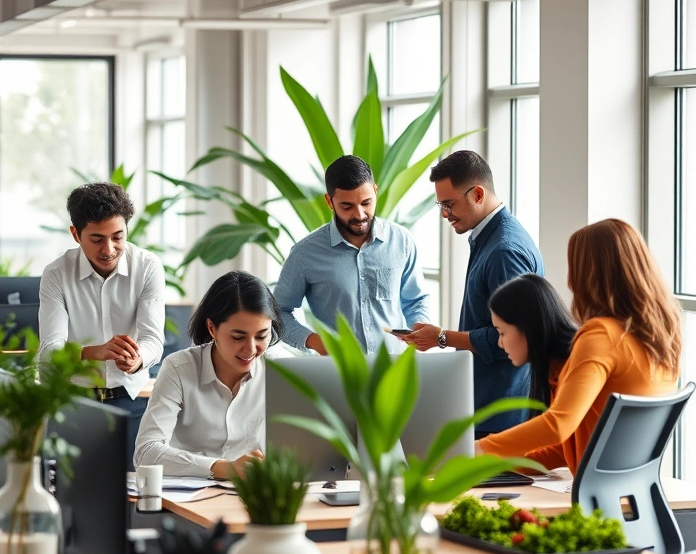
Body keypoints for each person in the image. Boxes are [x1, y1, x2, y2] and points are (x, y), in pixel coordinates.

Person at [477, 219, 682, 474]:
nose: (571, 280)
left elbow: (558, 425)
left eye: (574, 267)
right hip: (628, 497)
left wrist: (480, 449)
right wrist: (489, 465)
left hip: (595, 503)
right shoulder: (658, 341)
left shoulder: (601, 335)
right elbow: (564, 449)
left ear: (590, 273)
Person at [399, 150, 543, 437]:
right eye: (440, 204)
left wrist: (441, 337)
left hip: (500, 412)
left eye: (449, 204)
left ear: (478, 194)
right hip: (489, 404)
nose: (443, 213)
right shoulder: (489, 240)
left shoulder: (504, 251)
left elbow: (512, 338)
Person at [39, 182, 165, 470]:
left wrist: (137, 359)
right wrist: (94, 352)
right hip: (74, 405)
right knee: (74, 499)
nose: (109, 249)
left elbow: (152, 340)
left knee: (133, 498)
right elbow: (49, 351)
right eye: (96, 239)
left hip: (132, 403)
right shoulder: (57, 274)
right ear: (76, 234)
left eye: (117, 236)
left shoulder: (147, 266)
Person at [273, 154, 431, 356]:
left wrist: (420, 327)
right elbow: (278, 314)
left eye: (366, 203)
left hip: (394, 370)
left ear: (375, 190)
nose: (359, 214)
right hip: (336, 374)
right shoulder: (305, 253)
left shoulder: (402, 241)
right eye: (347, 206)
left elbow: (416, 299)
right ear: (329, 202)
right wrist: (314, 341)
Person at [134, 271, 280, 478]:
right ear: (212, 328)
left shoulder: (279, 371)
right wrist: (223, 468)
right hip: (189, 499)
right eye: (238, 337)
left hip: (257, 496)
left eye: (262, 336)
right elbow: (146, 452)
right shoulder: (179, 368)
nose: (251, 349)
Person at [488, 274, 578, 412]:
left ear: (527, 325)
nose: (500, 343)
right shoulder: (550, 371)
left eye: (502, 333)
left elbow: (557, 426)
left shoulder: (573, 366)